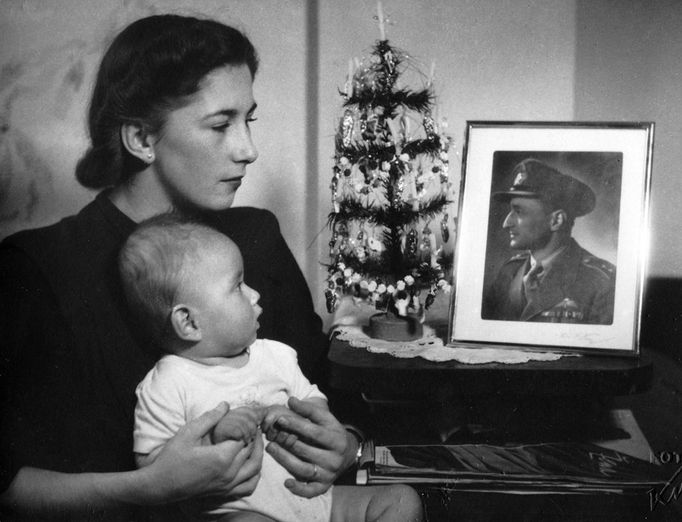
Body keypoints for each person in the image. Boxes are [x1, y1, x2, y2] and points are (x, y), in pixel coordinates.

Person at [0, 14, 360, 520]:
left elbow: (328, 392)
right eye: (220, 124)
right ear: (141, 139)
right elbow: (7, 485)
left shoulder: (256, 238)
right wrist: (147, 487)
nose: (248, 150)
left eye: (247, 120)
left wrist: (346, 444)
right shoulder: (36, 269)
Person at [123, 214, 424, 522]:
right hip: (241, 511)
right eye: (238, 286)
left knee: (401, 500)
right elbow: (153, 469)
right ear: (188, 322)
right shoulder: (168, 382)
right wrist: (215, 437)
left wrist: (302, 417)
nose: (255, 294)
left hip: (317, 500)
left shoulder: (275, 355)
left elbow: (313, 401)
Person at [482, 158, 616, 324]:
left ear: (556, 220)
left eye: (519, 211)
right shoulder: (509, 272)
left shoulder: (601, 282)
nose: (506, 223)